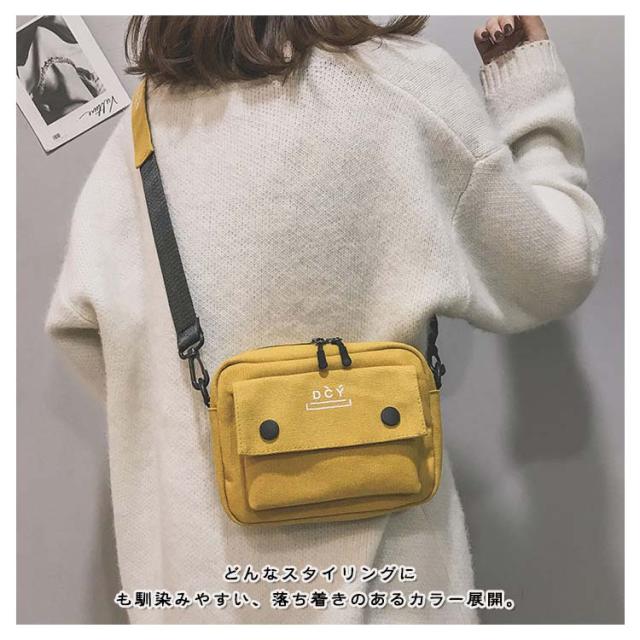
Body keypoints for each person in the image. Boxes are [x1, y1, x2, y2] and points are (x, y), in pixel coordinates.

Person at [45, 16, 604, 623]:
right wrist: (528, 92)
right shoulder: (406, 85)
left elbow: (80, 328)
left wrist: (193, 426)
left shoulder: (144, 126)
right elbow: (557, 266)